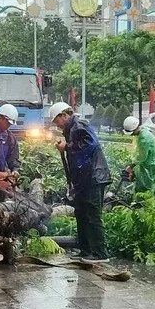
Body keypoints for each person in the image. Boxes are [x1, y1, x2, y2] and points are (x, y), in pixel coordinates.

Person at [51, 102, 112, 264]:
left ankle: (100, 253)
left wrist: (67, 147)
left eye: (57, 121)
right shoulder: (71, 129)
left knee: (92, 216)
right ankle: (85, 250)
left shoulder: (79, 125)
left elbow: (89, 145)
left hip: (93, 177)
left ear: (64, 115)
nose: (56, 125)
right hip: (84, 180)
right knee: (81, 214)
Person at [122, 116, 155, 194]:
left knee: (146, 186)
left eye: (132, 132)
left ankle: (144, 203)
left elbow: (142, 156)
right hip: (146, 163)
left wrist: (131, 166)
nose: (132, 135)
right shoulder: (142, 132)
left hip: (149, 164)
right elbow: (138, 151)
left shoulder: (144, 138)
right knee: (148, 183)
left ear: (136, 128)